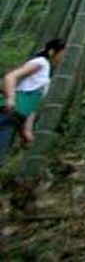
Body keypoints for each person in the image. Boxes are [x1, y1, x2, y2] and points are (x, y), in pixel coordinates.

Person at [0, 38, 66, 167]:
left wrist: (27, 132)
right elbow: (10, 77)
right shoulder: (41, 63)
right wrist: (11, 99)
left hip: (13, 118)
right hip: (6, 112)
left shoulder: (46, 73)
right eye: (63, 54)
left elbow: (32, 106)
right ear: (52, 52)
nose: (64, 58)